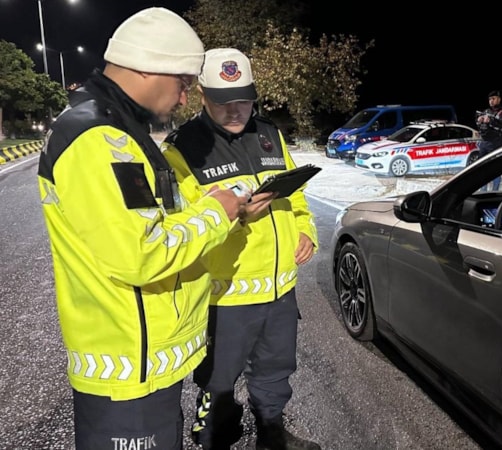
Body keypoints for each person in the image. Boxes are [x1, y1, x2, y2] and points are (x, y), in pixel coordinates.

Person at [36, 8, 248, 450]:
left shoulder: (120, 130)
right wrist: (216, 215)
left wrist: (208, 205)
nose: (185, 99)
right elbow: (141, 252)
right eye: (184, 83)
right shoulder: (97, 137)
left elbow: (153, 218)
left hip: (143, 362)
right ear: (152, 67)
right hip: (128, 371)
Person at [161, 48, 320, 450]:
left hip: (280, 290)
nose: (235, 111)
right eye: (222, 102)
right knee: (218, 381)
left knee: (275, 370)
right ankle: (214, 439)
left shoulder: (270, 135)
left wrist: (305, 230)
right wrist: (237, 215)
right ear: (201, 96)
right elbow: (179, 228)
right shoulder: (183, 151)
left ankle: (272, 435)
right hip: (225, 297)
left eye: (244, 100)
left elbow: (296, 198)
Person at [476, 90, 502, 191]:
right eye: (490, 99)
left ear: (499, 99)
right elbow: (481, 126)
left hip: (495, 143)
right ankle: (483, 190)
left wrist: (491, 121)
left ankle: (495, 190)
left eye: (493, 99)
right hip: (484, 142)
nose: (491, 101)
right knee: (482, 168)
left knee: (494, 168)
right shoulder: (486, 111)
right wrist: (479, 121)